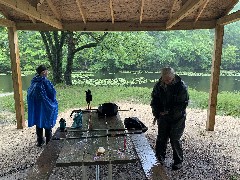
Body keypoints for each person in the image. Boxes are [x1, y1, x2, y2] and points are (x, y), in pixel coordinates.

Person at [150, 67, 189, 170]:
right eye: (165, 79)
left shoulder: (181, 87)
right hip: (162, 117)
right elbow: (154, 101)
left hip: (177, 117)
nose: (167, 81)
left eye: (169, 79)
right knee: (161, 138)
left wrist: (168, 112)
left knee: (175, 139)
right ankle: (159, 158)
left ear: (173, 76)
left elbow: (182, 105)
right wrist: (157, 113)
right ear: (162, 77)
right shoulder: (158, 85)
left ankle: (178, 161)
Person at [27, 65, 58, 147]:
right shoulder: (45, 82)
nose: (47, 72)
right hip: (45, 106)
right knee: (47, 122)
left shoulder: (34, 81)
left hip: (36, 107)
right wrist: (53, 102)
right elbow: (52, 93)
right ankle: (49, 142)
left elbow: (29, 94)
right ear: (43, 72)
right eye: (46, 71)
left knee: (39, 122)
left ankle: (40, 141)